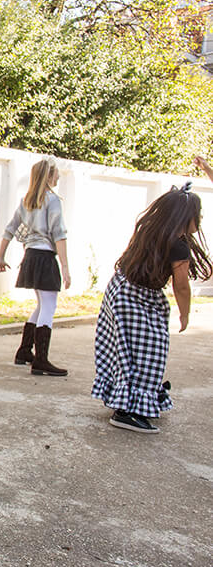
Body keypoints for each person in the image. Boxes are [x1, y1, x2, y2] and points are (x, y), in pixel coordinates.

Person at [91, 184, 211, 433]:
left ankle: (133, 398)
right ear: (184, 216)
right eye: (197, 214)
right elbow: (181, 286)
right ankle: (127, 412)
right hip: (134, 297)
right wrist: (185, 314)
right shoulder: (177, 244)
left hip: (120, 289)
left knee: (127, 350)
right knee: (150, 349)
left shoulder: (152, 231)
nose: (200, 219)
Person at [0, 157, 71, 376]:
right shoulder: (53, 200)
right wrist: (65, 267)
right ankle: (41, 360)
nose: (58, 176)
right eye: (56, 173)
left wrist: (0, 257)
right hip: (45, 258)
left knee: (42, 305)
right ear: (48, 176)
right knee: (49, 306)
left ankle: (24, 351)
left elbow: (10, 229)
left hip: (30, 256)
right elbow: (59, 234)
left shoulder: (26, 201)